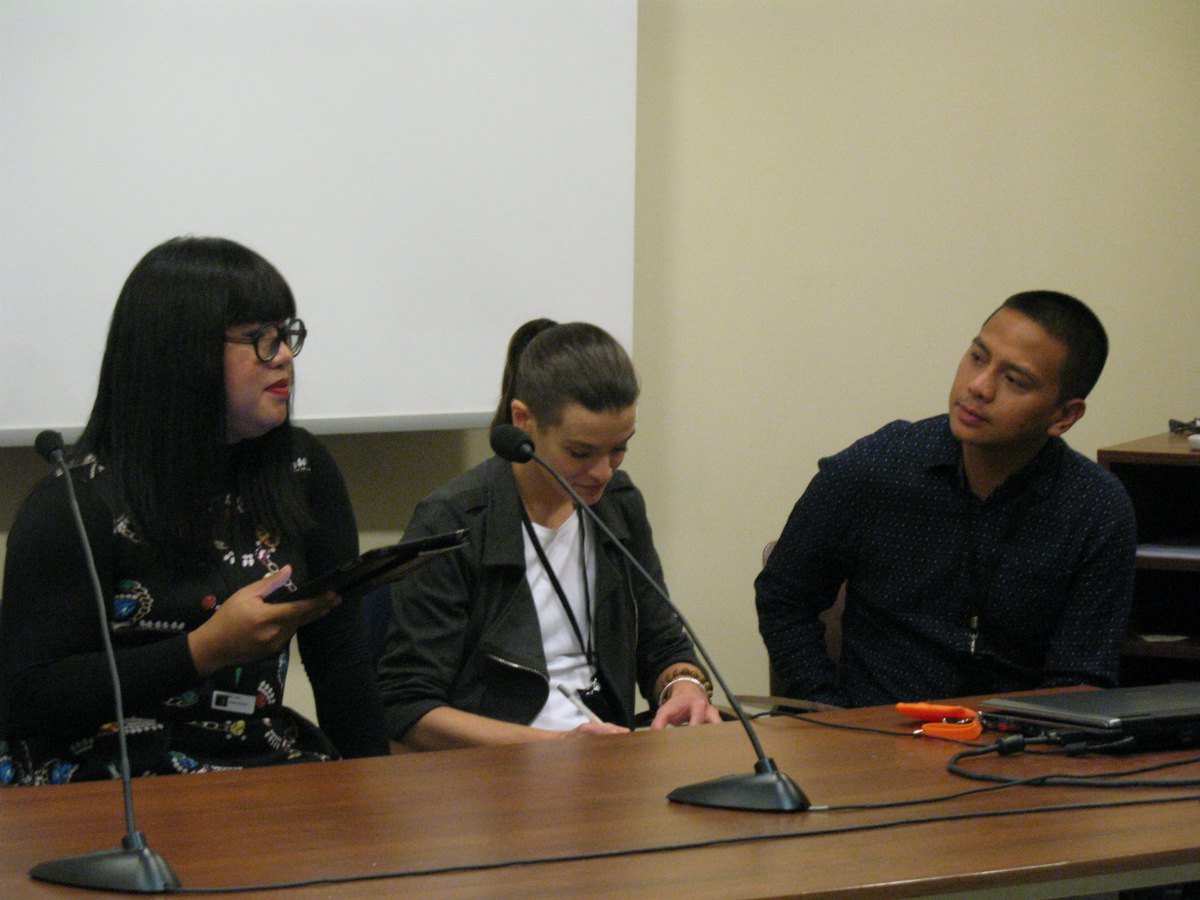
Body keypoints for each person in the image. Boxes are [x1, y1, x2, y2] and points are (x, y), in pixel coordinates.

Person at [0, 236, 388, 784]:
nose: (283, 356)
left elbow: (340, 663)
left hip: (258, 757)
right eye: (258, 339)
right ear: (182, 355)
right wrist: (203, 651)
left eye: (284, 335)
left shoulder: (302, 470)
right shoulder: (76, 502)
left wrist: (373, 798)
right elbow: (26, 698)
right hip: (108, 779)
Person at [755, 291, 1137, 708]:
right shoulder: (878, 466)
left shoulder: (1095, 508)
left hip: (1015, 736)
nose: (979, 386)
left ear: (1063, 416)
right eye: (977, 357)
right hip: (873, 728)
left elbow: (1082, 675)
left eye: (1014, 380)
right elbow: (783, 596)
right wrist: (826, 710)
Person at [377, 319, 720, 750]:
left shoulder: (620, 503)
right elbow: (408, 706)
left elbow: (664, 645)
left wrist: (685, 687)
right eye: (580, 453)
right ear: (524, 421)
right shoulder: (454, 519)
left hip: (604, 753)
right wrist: (554, 744)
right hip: (495, 767)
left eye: (619, 448)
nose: (602, 472)